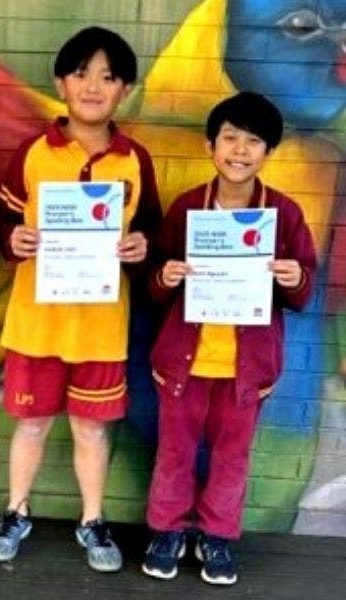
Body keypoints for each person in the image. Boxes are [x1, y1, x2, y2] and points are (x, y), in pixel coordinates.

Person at [0, 26, 161, 572]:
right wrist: (11, 238)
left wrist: (141, 246)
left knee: (90, 426)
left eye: (108, 77)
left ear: (124, 90)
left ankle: (92, 519)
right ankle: (15, 511)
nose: (92, 86)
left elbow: (151, 230)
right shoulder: (33, 154)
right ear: (61, 82)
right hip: (37, 325)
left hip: (101, 327)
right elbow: (2, 221)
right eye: (81, 73)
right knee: (31, 423)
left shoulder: (134, 161)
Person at [141, 92, 316, 585]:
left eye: (253, 141)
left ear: (269, 152)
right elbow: (153, 284)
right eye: (230, 138)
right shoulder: (186, 208)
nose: (240, 150)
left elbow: (304, 291)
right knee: (174, 452)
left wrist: (290, 275)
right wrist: (167, 276)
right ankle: (168, 530)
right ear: (210, 145)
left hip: (246, 368)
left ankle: (216, 537)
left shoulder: (284, 214)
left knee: (231, 457)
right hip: (182, 363)